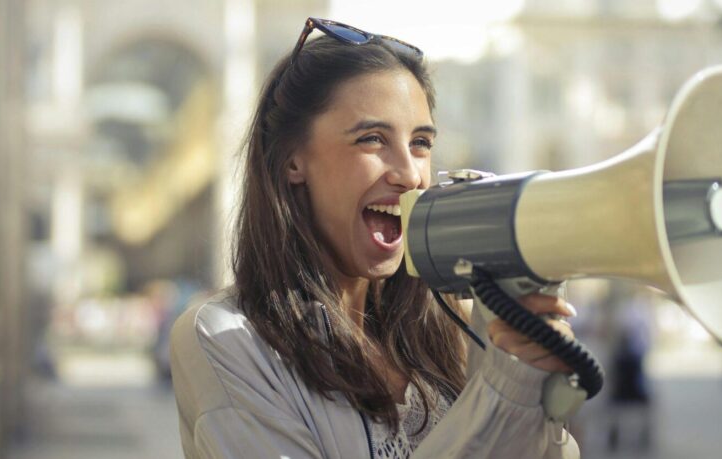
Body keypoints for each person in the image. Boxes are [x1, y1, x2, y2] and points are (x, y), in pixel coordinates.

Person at [170, 18, 581, 458]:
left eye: (421, 143)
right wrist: (503, 391)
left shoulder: (457, 324)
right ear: (293, 160)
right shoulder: (225, 339)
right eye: (372, 139)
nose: (409, 174)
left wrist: (535, 386)